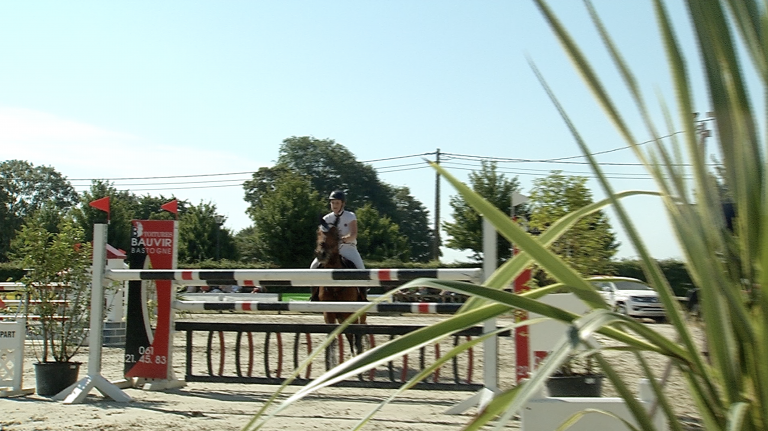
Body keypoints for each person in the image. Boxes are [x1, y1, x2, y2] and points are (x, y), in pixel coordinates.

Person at [310, 190, 365, 301]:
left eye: (337, 203)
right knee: (313, 267)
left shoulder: (350, 216)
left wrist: (342, 239)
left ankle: (363, 296)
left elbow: (353, 234)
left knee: (361, 269)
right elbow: (323, 236)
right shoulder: (326, 219)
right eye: (332, 203)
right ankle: (314, 295)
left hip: (347, 248)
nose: (334, 205)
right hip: (331, 251)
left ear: (342, 204)